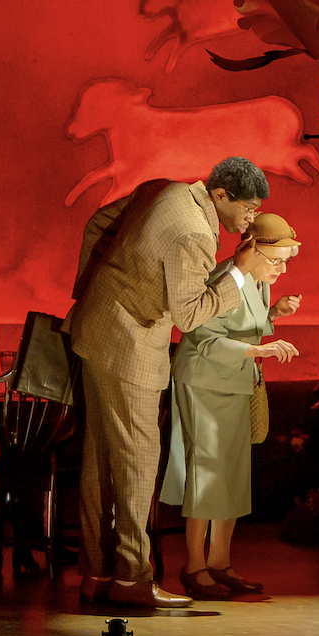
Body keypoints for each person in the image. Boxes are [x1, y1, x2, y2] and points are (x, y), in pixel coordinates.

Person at [71, 156, 276, 608]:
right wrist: (239, 272)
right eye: (248, 208)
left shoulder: (164, 189)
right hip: (131, 346)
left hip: (97, 330)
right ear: (220, 195)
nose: (251, 218)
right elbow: (190, 314)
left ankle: (98, 573)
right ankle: (131, 579)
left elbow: (96, 223)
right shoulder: (195, 232)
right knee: (138, 462)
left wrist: (90, 291)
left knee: (99, 458)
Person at [160, 213, 303, 599]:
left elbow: (244, 323)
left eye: (286, 261)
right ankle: (194, 566)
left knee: (233, 473)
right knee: (207, 472)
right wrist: (259, 350)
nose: (282, 269)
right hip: (205, 382)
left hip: (234, 381)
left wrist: (274, 314)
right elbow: (204, 338)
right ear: (252, 250)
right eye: (276, 260)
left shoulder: (260, 281)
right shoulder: (227, 279)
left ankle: (220, 562)